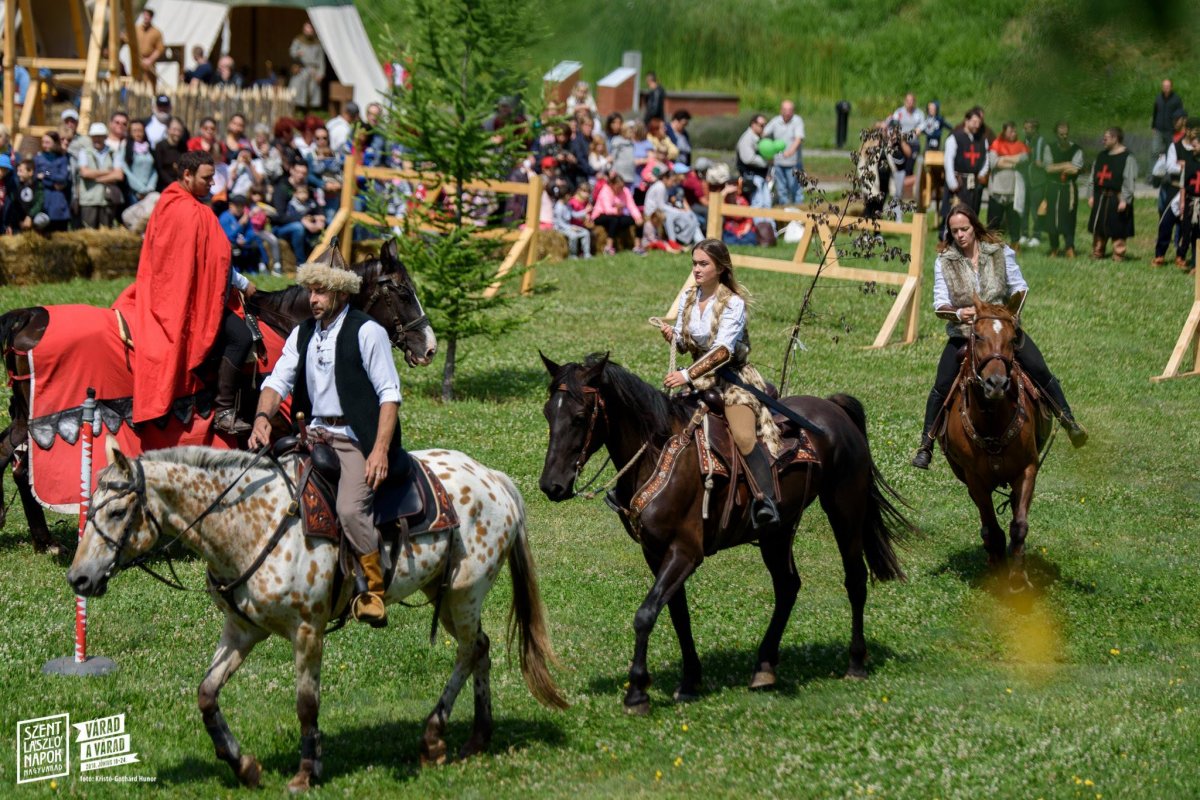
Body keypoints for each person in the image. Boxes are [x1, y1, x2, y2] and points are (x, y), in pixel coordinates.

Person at [249, 254, 402, 628]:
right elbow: (275, 382)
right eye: (310, 290)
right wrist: (261, 418)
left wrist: (379, 450)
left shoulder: (367, 332)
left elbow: (389, 394)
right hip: (312, 433)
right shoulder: (302, 333)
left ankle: (373, 591)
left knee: (350, 509)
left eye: (320, 291)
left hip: (353, 439)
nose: (312, 298)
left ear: (341, 292)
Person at [911, 203, 1087, 469]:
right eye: (954, 230)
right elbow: (939, 304)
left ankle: (1068, 421)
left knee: (1038, 367)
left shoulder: (1000, 252)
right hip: (965, 334)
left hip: (1001, 330)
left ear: (974, 226)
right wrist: (960, 314)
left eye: (965, 229)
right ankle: (926, 444)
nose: (960, 235)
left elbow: (1021, 287)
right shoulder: (944, 261)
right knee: (942, 384)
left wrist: (1009, 313)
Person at [112, 150, 257, 432]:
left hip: (161, 291)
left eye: (213, 178)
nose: (212, 185)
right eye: (206, 179)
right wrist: (243, 284)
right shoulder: (195, 212)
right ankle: (224, 410)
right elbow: (219, 263)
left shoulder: (167, 201)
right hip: (183, 300)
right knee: (240, 336)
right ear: (187, 175)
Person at [659, 239, 781, 528]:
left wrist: (686, 375)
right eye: (694, 263)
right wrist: (674, 337)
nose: (697, 269)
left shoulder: (732, 303)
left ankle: (767, 502)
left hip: (733, 381)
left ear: (720, 268)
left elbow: (724, 351)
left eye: (703, 264)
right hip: (699, 381)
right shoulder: (689, 297)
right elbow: (686, 339)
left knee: (742, 436)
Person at [1087, 127, 1137, 261]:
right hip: (1101, 196)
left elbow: (1129, 180)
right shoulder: (1101, 156)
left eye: (1106, 138)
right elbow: (1093, 177)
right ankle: (1098, 251)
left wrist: (1124, 200)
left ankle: (1118, 253)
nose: (1103, 140)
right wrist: (1091, 195)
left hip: (1117, 197)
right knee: (1099, 226)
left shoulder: (1127, 157)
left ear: (1115, 138)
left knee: (1118, 226)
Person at [941, 108, 989, 238]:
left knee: (971, 213)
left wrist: (982, 173)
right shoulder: (955, 137)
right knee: (953, 212)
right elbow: (948, 160)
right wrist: (952, 181)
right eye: (974, 121)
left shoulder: (982, 139)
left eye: (979, 122)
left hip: (973, 182)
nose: (976, 125)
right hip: (958, 181)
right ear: (966, 120)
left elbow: (986, 159)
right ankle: (947, 240)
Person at [1042, 121, 1083, 259]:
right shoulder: (1050, 148)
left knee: (1069, 217)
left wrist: (1057, 166)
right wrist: (1066, 164)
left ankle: (1069, 247)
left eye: (1066, 134)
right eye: (1061, 135)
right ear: (1056, 134)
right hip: (1053, 186)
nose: (1064, 137)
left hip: (1068, 188)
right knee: (1052, 217)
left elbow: (1076, 168)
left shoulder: (1076, 149)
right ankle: (1054, 247)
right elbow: (1048, 167)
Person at [986, 122, 1028, 243]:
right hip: (997, 189)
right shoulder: (996, 144)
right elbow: (994, 162)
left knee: (1014, 219)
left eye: (1015, 131)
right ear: (1004, 132)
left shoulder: (1020, 145)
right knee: (994, 219)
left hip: (1014, 190)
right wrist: (1014, 161)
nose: (1013, 134)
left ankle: (1015, 242)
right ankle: (991, 243)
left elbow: (1024, 159)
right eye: (1010, 131)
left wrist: (1004, 158)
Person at [76, 122, 123, 228]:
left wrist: (97, 178)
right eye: (94, 137)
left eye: (100, 137)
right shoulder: (84, 152)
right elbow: (85, 173)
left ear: (105, 137)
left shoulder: (113, 152)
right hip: (89, 200)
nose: (97, 139)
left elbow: (119, 175)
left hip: (107, 200)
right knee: (88, 232)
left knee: (106, 232)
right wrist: (108, 172)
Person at [763, 100, 806, 205]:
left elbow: (799, 138)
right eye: (785, 110)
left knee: (795, 188)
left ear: (793, 111)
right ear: (781, 110)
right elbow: (764, 133)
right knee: (781, 189)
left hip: (793, 162)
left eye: (790, 110)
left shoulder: (797, 121)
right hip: (778, 162)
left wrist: (790, 152)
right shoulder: (775, 121)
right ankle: (784, 210)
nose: (787, 112)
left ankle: (798, 209)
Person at [590, 173, 642, 254]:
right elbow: (607, 210)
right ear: (612, 185)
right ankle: (608, 247)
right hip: (600, 216)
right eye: (618, 187)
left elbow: (632, 206)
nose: (620, 189)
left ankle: (637, 246)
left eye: (622, 187)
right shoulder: (605, 191)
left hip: (617, 216)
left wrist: (638, 217)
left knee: (636, 221)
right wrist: (617, 209)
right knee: (613, 220)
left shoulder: (625, 191)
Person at [35, 132, 72, 233]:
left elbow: (63, 177)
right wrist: (52, 180)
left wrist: (47, 174)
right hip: (43, 200)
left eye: (47, 142)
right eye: (43, 142)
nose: (44, 145)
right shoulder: (38, 159)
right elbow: (36, 176)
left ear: (55, 143)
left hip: (58, 203)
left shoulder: (62, 159)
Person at [1019, 119, 1048, 247]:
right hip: (1025, 181)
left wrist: (1041, 165)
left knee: (1036, 210)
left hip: (1037, 181)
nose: (1025, 130)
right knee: (1024, 209)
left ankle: (1036, 235)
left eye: (1027, 128)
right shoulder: (1024, 141)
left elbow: (1048, 161)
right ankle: (1024, 234)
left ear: (1034, 129)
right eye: (1024, 128)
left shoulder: (1042, 142)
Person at [289, 22, 326, 112]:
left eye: (310, 29)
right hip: (302, 69)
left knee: (312, 92)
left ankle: (310, 112)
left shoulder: (317, 43)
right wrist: (297, 53)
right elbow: (292, 52)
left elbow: (321, 60)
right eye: (306, 29)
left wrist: (320, 74)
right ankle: (297, 109)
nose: (308, 31)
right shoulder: (299, 40)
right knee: (296, 88)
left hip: (313, 70)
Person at [735, 113, 770, 210]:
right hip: (752, 177)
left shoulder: (759, 138)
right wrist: (766, 162)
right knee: (757, 203)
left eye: (765, 125)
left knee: (766, 203)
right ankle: (758, 224)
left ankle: (767, 224)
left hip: (760, 176)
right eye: (761, 125)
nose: (764, 128)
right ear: (753, 124)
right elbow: (748, 159)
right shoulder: (747, 138)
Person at [123, 119, 158, 205]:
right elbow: (126, 171)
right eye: (134, 131)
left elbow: (154, 170)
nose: (138, 134)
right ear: (130, 132)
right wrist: (141, 189)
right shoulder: (126, 148)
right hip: (134, 192)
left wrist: (150, 187)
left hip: (149, 191)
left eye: (140, 131)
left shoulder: (149, 148)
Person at [1152, 79, 1185, 158]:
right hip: (1158, 129)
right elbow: (1155, 112)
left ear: (1171, 87)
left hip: (1170, 130)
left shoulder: (1176, 99)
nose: (1166, 88)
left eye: (1168, 86)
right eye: (1164, 86)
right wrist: (1153, 126)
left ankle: (1167, 168)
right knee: (1155, 150)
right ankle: (1155, 169)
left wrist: (1178, 127)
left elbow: (1180, 114)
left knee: (1169, 151)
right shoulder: (1158, 98)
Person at [153, 116, 187, 191]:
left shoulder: (183, 147)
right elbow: (159, 169)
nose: (177, 133)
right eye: (174, 130)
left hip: (181, 185)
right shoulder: (160, 146)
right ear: (168, 130)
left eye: (180, 130)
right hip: (163, 186)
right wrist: (173, 184)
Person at [135, 9, 165, 85]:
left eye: (147, 16)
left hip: (149, 65)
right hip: (136, 64)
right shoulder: (136, 30)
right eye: (144, 15)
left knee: (149, 86)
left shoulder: (156, 32)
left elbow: (160, 49)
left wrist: (150, 60)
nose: (145, 17)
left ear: (151, 17)